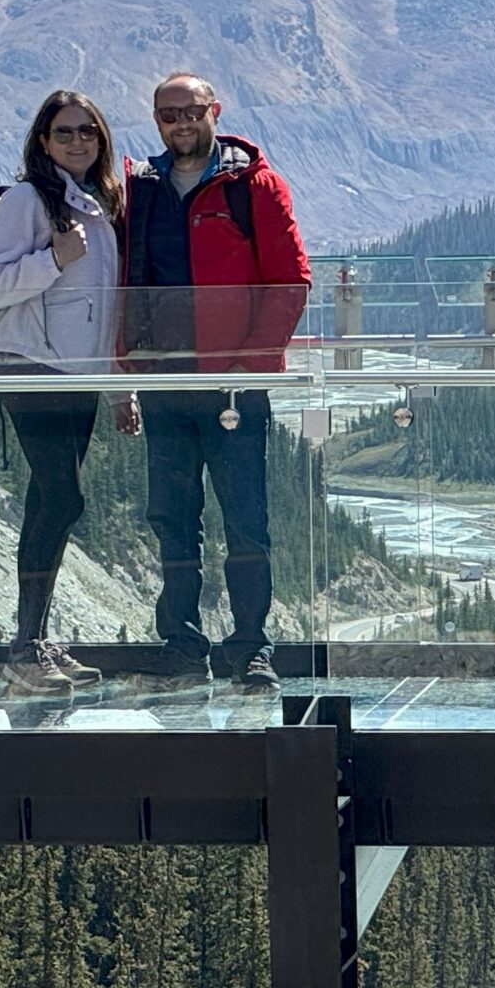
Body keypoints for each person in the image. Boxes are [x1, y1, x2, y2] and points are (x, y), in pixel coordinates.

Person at [120, 73, 310, 691]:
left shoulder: (253, 186)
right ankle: (181, 643)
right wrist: (128, 370)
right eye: (166, 113)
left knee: (245, 518)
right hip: (165, 381)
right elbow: (123, 278)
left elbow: (290, 282)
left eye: (190, 110)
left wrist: (248, 365)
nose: (179, 123)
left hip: (233, 387)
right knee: (171, 517)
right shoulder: (141, 190)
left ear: (214, 112)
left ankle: (251, 646)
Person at [0, 89, 133, 694]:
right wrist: (54, 261)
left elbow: (105, 307)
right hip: (30, 365)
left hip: (79, 375)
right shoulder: (26, 200)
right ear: (43, 141)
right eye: (64, 132)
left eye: (88, 132)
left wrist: (117, 385)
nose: (77, 141)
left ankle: (33, 641)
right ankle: (25, 644)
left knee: (52, 499)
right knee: (62, 499)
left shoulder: (98, 205)